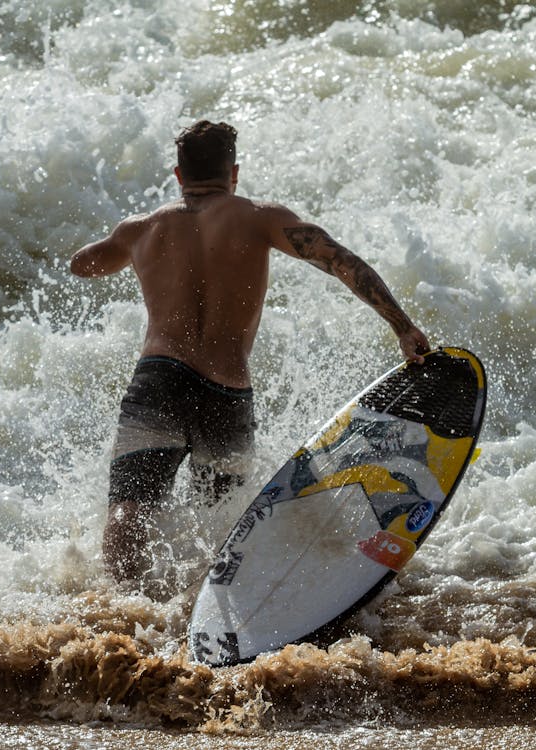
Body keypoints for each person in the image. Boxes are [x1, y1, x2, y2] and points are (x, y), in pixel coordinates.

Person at [70, 120, 430, 586]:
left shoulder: (142, 229)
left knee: (130, 504)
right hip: (225, 390)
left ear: (178, 177)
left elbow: (83, 265)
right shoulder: (260, 217)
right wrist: (402, 327)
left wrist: (125, 241)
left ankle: (119, 610)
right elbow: (341, 261)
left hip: (157, 380)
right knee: (220, 520)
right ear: (233, 173)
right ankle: (202, 614)